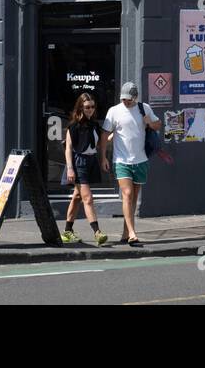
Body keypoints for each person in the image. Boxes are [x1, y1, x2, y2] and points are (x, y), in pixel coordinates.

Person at [101, 82, 161, 246]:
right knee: (127, 194)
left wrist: (149, 122)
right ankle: (133, 233)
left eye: (128, 99)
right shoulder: (114, 111)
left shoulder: (144, 108)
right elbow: (105, 134)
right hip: (121, 161)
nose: (125, 102)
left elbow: (158, 125)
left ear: (135, 98)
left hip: (140, 160)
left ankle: (125, 233)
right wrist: (104, 157)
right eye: (123, 99)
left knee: (133, 199)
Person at [62, 92, 107, 246]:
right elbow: (68, 148)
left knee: (77, 197)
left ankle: (67, 231)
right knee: (88, 198)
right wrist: (70, 169)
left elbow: (101, 142)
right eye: (87, 107)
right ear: (80, 107)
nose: (90, 110)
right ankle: (97, 232)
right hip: (79, 162)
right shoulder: (73, 126)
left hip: (91, 161)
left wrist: (103, 158)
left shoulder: (94, 125)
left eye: (93, 107)